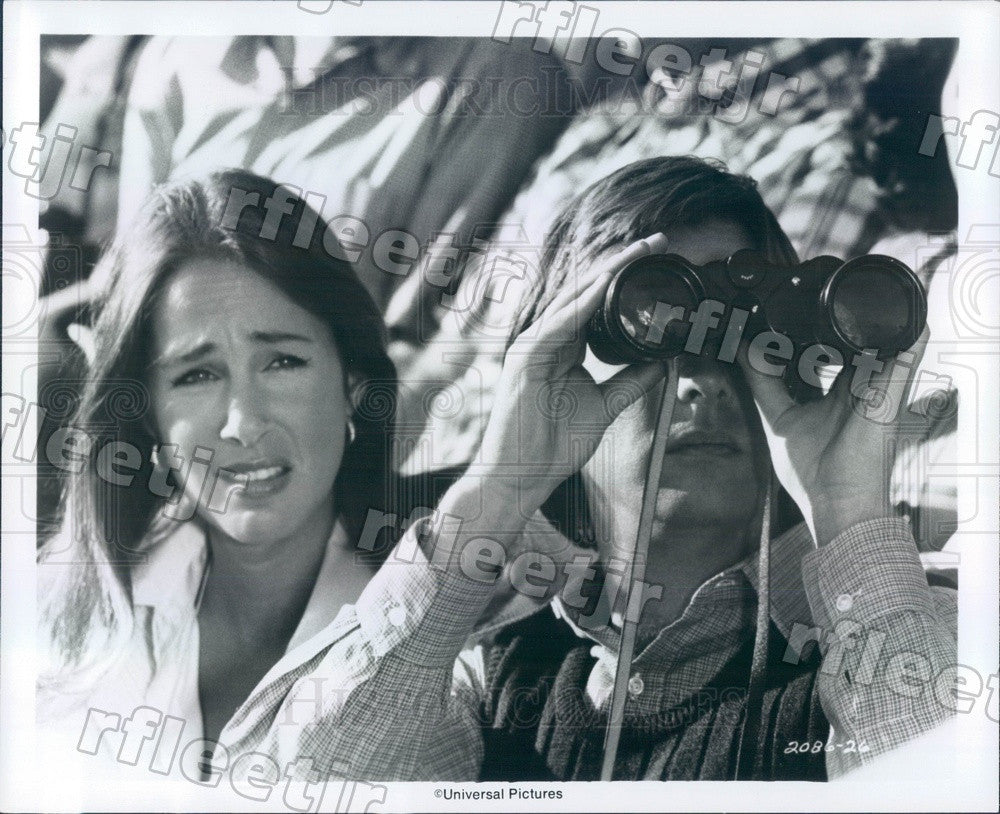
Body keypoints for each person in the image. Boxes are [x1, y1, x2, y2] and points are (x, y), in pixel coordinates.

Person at [210, 156, 957, 783]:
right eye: (655, 319)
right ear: (557, 359)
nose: (697, 378)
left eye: (742, 332)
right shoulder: (492, 685)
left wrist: (849, 510)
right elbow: (305, 785)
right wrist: (502, 485)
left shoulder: (916, 627)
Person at [35, 170, 397, 784]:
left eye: (284, 361)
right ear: (144, 410)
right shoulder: (49, 612)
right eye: (196, 375)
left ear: (353, 385)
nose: (243, 423)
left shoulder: (435, 624)